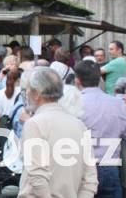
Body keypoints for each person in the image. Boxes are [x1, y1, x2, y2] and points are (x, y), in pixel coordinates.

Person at [17, 67, 98, 197]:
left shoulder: (35, 124)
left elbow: (37, 174)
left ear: (37, 93)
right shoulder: (79, 125)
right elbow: (90, 179)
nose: (26, 93)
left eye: (28, 89)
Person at [72, 60, 126, 197]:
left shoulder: (71, 105)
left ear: (77, 81)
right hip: (109, 166)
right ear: (100, 78)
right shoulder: (118, 104)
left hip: (79, 168)